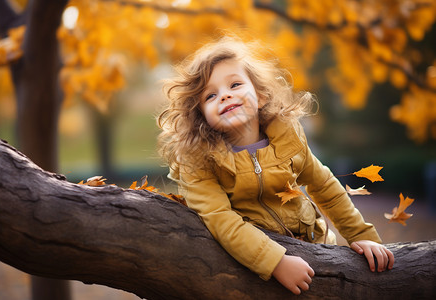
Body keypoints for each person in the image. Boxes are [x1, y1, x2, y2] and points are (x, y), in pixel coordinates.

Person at [157, 36, 394, 295]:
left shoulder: (287, 138)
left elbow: (323, 185)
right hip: (254, 264)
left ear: (259, 96)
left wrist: (360, 235)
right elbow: (220, 219)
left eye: (235, 84)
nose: (225, 95)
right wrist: (276, 262)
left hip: (316, 244)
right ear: (202, 114)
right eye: (211, 95)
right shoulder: (200, 161)